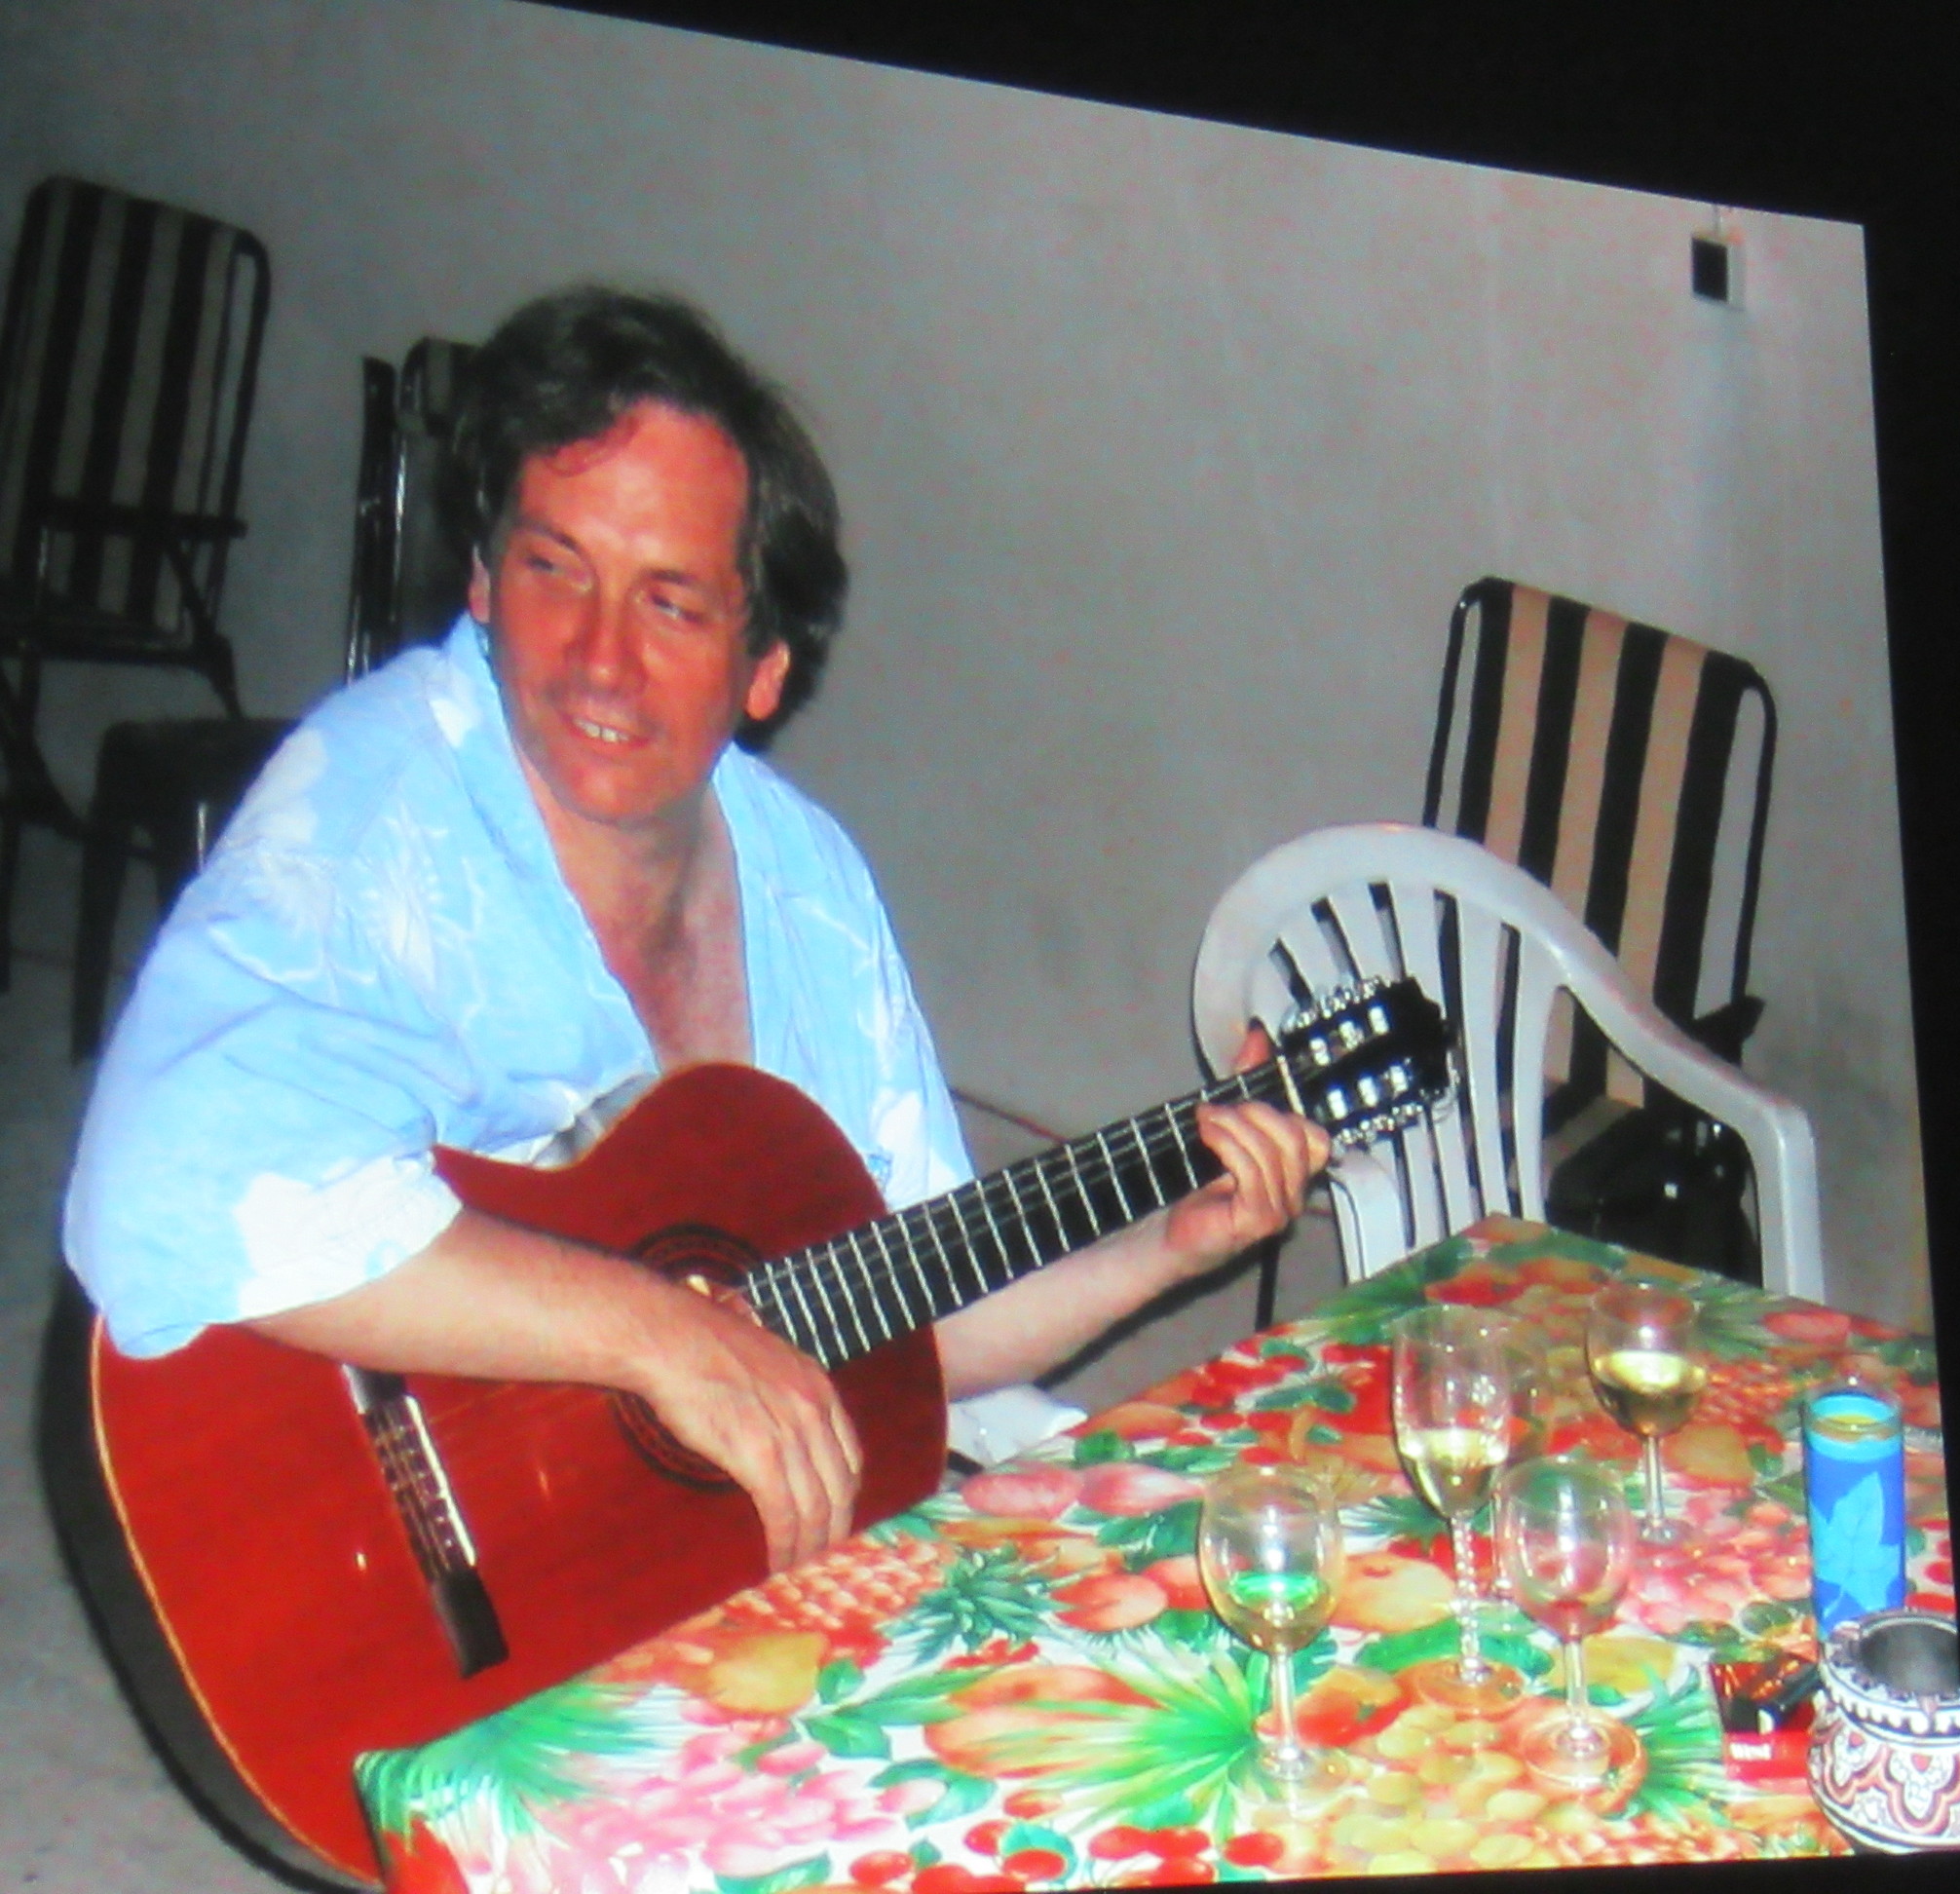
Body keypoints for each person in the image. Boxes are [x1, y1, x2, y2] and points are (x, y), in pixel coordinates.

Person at [61, 287, 1328, 1573]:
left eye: (669, 604)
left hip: (652, 1550)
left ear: (764, 666)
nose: (599, 660)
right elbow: (156, 1193)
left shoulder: (805, 889)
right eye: (555, 567)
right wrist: (660, 1335)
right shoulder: (365, 823)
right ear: (484, 579)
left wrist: (1164, 1248)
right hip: (399, 1571)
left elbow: (909, 1314)